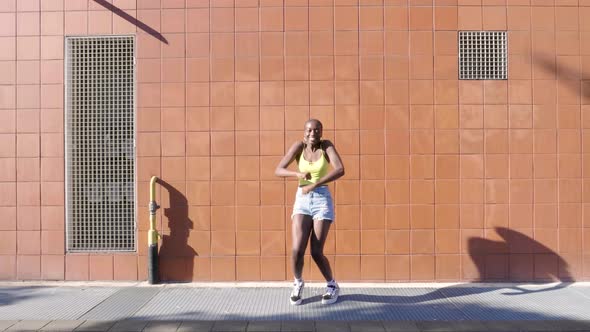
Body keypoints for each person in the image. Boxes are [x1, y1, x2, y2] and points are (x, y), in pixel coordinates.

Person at [275, 119, 345, 305]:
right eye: (309, 130)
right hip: (302, 199)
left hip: (322, 199)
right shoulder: (298, 146)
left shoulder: (326, 146)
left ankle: (332, 285)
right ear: (304, 132)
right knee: (297, 250)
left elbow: (340, 169)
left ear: (321, 132)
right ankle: (298, 282)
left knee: (316, 251)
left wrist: (315, 184)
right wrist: (297, 175)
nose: (313, 133)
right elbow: (278, 169)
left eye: (317, 130)